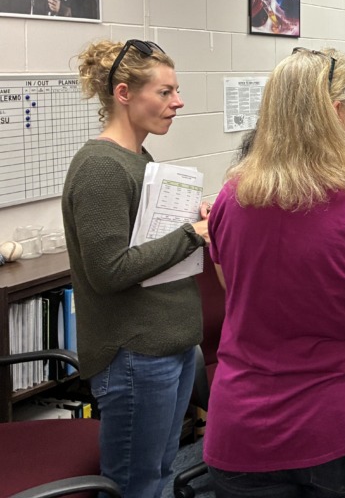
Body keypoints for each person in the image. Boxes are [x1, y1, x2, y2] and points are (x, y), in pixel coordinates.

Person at [204, 47, 345, 498]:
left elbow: (233, 289)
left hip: (243, 427)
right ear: (334, 111)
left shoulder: (231, 200)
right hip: (344, 426)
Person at [62, 38, 211, 498]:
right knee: (135, 485)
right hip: (135, 356)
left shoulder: (137, 159)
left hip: (168, 346)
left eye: (176, 90)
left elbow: (145, 243)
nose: (178, 102)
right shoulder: (102, 167)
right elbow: (108, 271)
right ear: (124, 94)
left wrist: (191, 220)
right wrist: (192, 234)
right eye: (165, 92)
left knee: (159, 472)